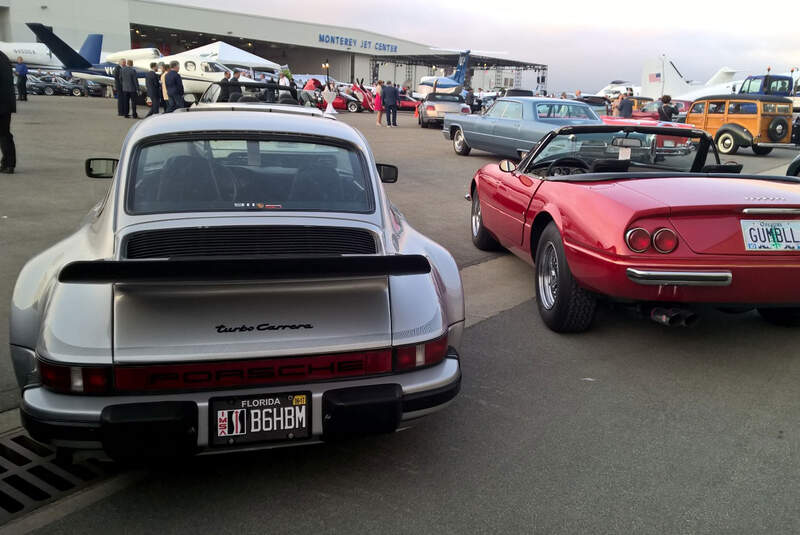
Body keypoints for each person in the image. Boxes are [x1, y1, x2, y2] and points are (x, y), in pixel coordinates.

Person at [0, 52, 16, 173]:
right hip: (7, 103)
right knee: (5, 134)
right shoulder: (4, 58)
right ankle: (8, 164)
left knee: (4, 135)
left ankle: (7, 163)